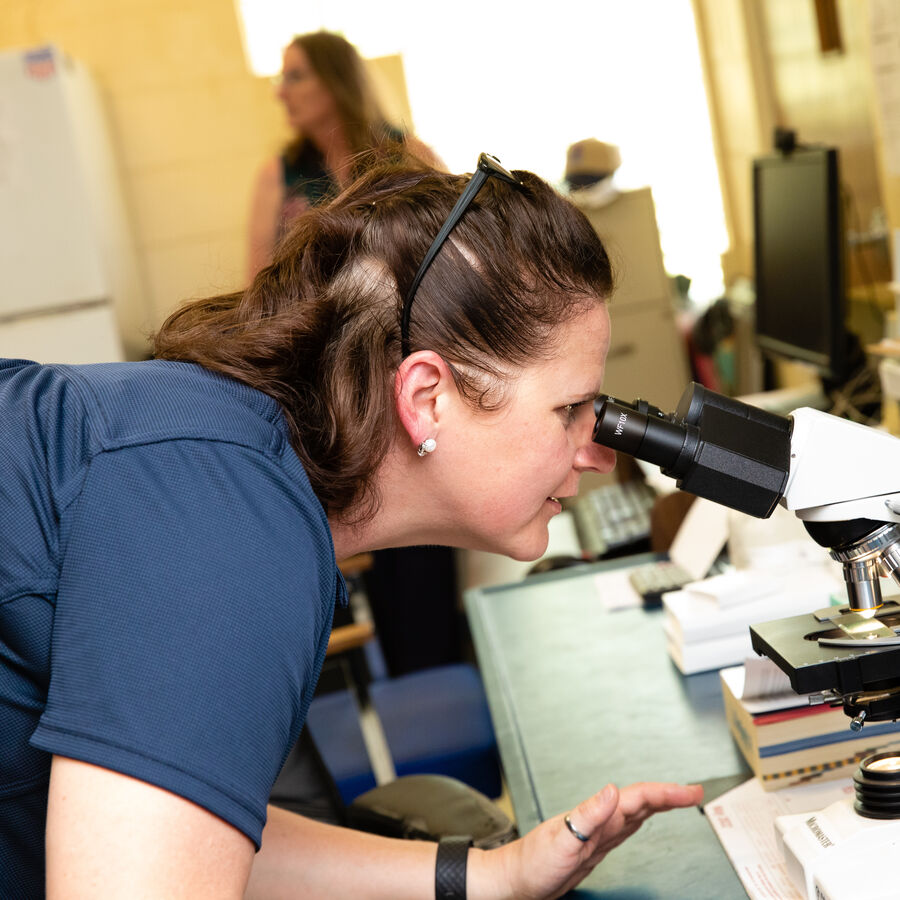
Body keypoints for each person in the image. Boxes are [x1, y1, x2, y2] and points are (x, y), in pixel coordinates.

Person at [1, 152, 702, 898]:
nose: (596, 453)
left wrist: (496, 877)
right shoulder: (226, 528)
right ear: (426, 396)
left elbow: (178, 835)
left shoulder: (226, 475)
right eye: (569, 410)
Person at [247, 29, 441, 281]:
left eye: (295, 77)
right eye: (281, 79)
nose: (280, 93)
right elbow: (257, 284)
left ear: (336, 82)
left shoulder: (410, 155)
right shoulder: (277, 175)